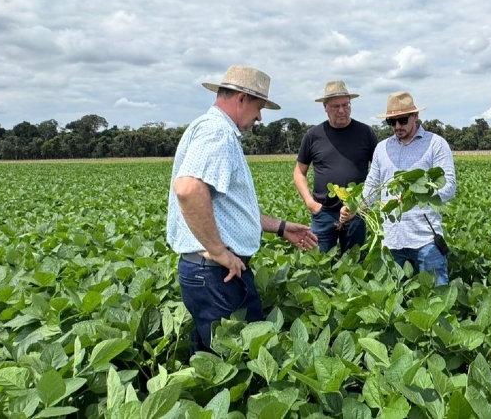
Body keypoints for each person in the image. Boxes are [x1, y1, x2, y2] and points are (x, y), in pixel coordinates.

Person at [167, 65, 318, 354]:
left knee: (214, 360)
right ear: (241, 99)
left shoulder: (208, 128)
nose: (259, 117)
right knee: (238, 359)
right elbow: (188, 189)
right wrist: (219, 251)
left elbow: (226, 210)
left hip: (211, 272)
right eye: (259, 108)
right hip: (216, 274)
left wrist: (281, 227)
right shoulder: (217, 132)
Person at [343, 91, 456, 284]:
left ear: (415, 116)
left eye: (403, 120)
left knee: (437, 295)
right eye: (391, 121)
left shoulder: (436, 144)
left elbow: (449, 186)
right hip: (391, 241)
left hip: (426, 240)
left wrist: (413, 195)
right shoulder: (382, 148)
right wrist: (354, 207)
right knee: (393, 296)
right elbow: (372, 185)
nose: (397, 126)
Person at [293, 81, 378, 254]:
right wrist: (310, 203)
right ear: (325, 107)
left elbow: (379, 170)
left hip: (356, 211)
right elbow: (299, 172)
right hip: (323, 213)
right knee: (320, 261)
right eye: (335, 106)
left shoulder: (365, 133)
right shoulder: (313, 135)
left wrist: (361, 205)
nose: (341, 110)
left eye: (346, 105)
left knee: (354, 263)